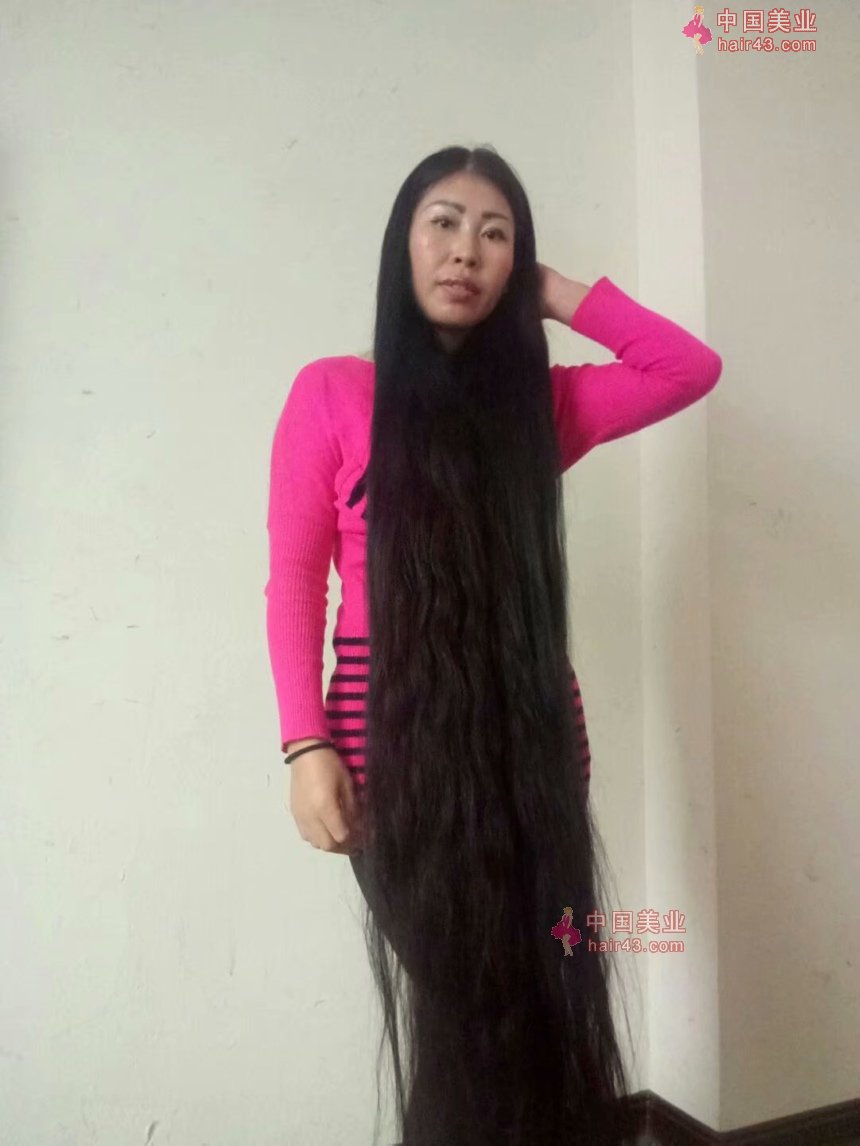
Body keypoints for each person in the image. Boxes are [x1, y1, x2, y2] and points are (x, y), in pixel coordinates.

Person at [266, 144, 723, 1145]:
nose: (465, 250)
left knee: (544, 1000)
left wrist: (553, 292)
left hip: (534, 747)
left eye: (494, 233)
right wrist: (305, 746)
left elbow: (687, 368)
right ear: (401, 242)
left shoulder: (541, 408)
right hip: (389, 754)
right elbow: (295, 580)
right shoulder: (332, 392)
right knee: (466, 1013)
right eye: (442, 222)